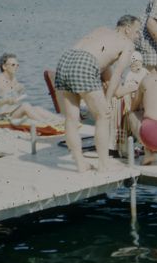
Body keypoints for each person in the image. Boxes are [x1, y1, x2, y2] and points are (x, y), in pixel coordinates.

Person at [54, 15, 140, 172]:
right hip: (85, 64)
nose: (138, 36)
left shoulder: (101, 30)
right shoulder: (127, 44)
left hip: (65, 59)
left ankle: (80, 164)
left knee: (71, 118)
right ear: (127, 29)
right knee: (103, 116)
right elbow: (117, 75)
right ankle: (104, 165)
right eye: (136, 31)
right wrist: (107, 101)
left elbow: (104, 66)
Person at [0, 53, 62, 125]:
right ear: (4, 66)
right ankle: (46, 124)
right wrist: (6, 101)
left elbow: (13, 98)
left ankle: (61, 121)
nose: (16, 67)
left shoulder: (13, 79)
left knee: (37, 108)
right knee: (25, 106)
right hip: (2, 117)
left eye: (17, 65)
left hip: (13, 112)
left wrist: (19, 91)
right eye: (13, 65)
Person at [109, 51, 148, 155]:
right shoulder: (129, 74)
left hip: (131, 96)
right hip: (128, 96)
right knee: (122, 102)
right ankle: (123, 143)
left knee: (122, 102)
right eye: (134, 65)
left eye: (139, 64)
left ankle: (122, 143)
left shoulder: (145, 72)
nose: (137, 67)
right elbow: (120, 91)